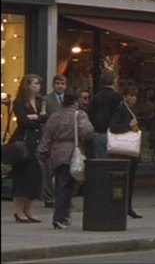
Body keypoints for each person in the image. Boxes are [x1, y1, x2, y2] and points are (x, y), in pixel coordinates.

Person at [36, 92, 95, 229]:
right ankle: (60, 217)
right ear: (75, 102)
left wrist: (42, 153)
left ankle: (62, 215)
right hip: (72, 152)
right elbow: (87, 131)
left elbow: (47, 135)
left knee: (60, 185)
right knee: (68, 186)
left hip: (56, 153)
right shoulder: (79, 115)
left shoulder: (55, 116)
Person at [9, 73, 48, 223]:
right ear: (27, 85)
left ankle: (28, 209)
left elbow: (46, 117)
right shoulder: (19, 102)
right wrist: (38, 118)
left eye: (39, 83)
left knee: (33, 177)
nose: (37, 87)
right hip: (24, 142)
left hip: (37, 142)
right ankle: (19, 211)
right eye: (34, 84)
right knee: (22, 177)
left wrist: (37, 118)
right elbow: (24, 122)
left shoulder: (40, 101)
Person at [108, 86, 143, 218]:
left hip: (130, 151)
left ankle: (128, 206)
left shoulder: (131, 110)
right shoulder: (120, 109)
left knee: (130, 180)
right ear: (125, 96)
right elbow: (114, 127)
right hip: (123, 151)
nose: (133, 98)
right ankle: (122, 206)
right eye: (131, 95)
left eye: (135, 96)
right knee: (123, 180)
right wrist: (128, 126)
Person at [40, 74, 67, 208]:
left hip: (65, 139)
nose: (60, 86)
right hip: (51, 138)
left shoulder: (68, 99)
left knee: (62, 169)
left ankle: (61, 196)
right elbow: (43, 116)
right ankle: (48, 197)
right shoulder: (47, 99)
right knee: (49, 169)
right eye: (57, 83)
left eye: (62, 83)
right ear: (53, 85)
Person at [88, 70, 122, 159]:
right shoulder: (117, 97)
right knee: (113, 163)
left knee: (101, 162)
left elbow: (90, 114)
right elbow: (119, 116)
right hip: (114, 135)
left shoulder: (96, 97)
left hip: (98, 134)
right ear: (114, 81)